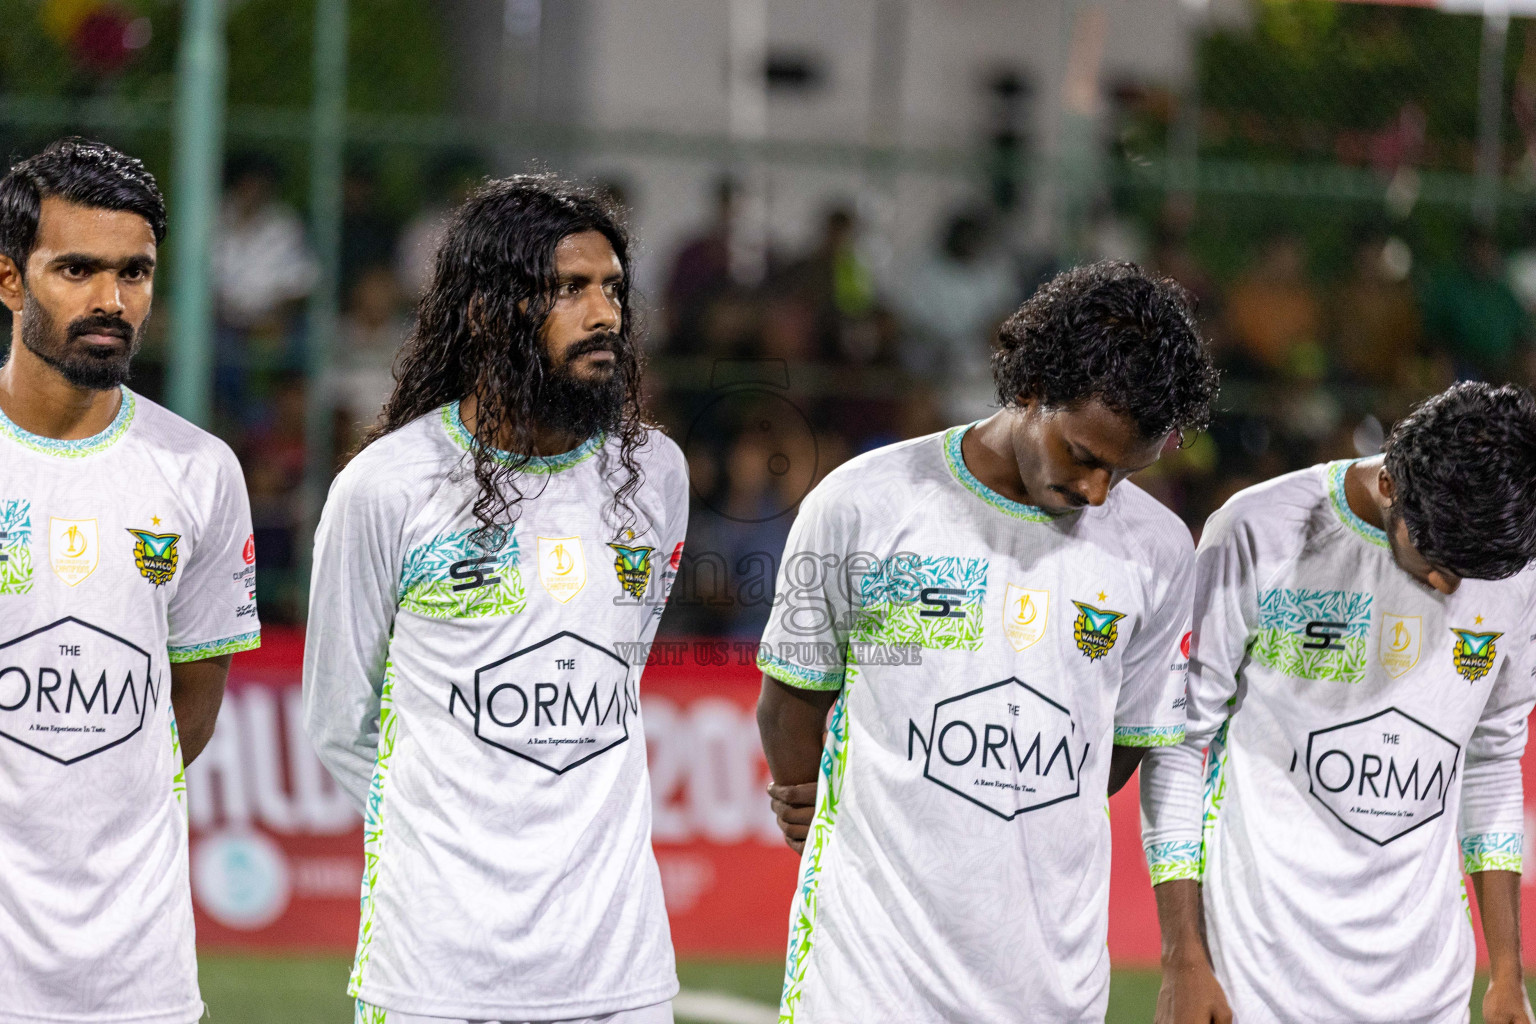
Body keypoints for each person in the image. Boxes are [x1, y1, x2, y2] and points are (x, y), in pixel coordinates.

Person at [755, 261, 1220, 1022]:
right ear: (1031, 389)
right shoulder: (864, 504)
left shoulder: (1160, 550)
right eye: (1083, 456)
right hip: (866, 981)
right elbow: (791, 702)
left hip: (1051, 987)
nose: (1098, 492)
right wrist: (827, 803)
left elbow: (1123, 748)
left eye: (1123, 474)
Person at [303, 175, 688, 1024]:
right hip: (437, 969)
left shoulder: (656, 473)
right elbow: (338, 722)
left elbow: (618, 667)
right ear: (489, 310)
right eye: (568, 289)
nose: (605, 315)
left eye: (613, 288)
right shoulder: (387, 487)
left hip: (615, 966)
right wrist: (464, 823)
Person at [1141, 381, 1536, 1024]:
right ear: (1389, 486)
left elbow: (1493, 757)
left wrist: (1507, 976)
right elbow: (1183, 745)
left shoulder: (1510, 562)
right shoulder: (1256, 531)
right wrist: (1182, 958)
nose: (1449, 584)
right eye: (1436, 560)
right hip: (1256, 978)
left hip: (1428, 987)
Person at [0, 138, 260, 1024]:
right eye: (76, 269)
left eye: (134, 273)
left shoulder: (200, 470)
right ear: (8, 281)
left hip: (138, 980)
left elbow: (190, 710)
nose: (111, 301)